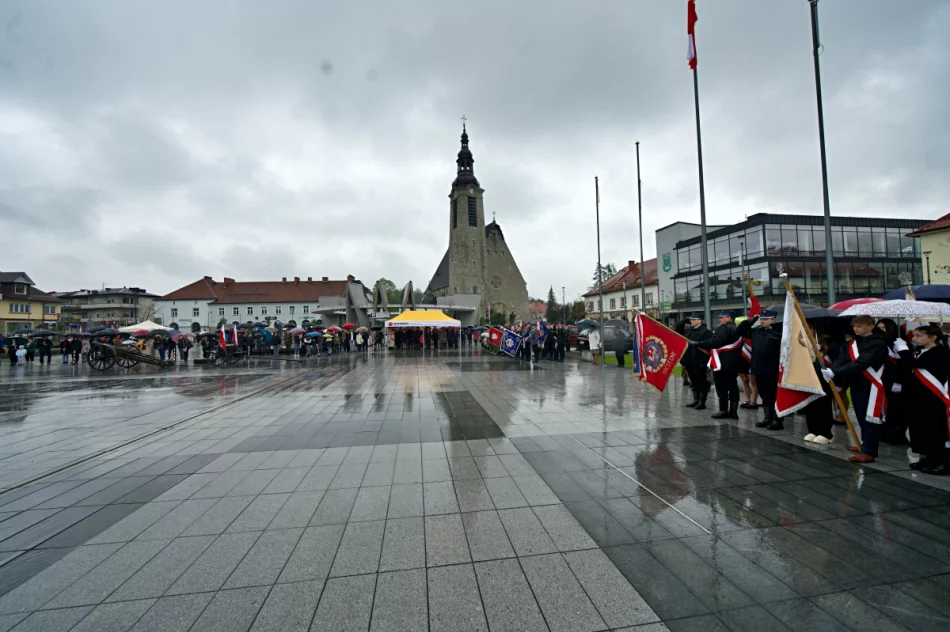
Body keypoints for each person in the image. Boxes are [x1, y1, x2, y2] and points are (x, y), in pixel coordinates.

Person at [824, 315, 889, 463]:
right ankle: (864, 444)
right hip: (856, 383)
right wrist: (832, 369)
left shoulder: (878, 343)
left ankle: (870, 451)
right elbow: (842, 358)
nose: (855, 329)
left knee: (871, 418)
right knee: (860, 416)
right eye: (854, 326)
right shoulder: (852, 343)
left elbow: (862, 362)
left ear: (871, 326)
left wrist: (837, 372)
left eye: (859, 326)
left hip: (871, 384)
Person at [905, 325, 950, 475]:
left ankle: (939, 461)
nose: (914, 338)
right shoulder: (920, 351)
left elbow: (915, 364)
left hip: (933, 397)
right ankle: (928, 457)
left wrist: (902, 350)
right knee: (920, 428)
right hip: (919, 397)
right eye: (914, 336)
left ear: (933, 337)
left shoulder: (940, 352)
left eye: (919, 336)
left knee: (933, 429)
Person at [737, 310, 782, 429]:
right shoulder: (756, 331)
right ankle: (767, 418)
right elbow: (740, 330)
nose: (762, 321)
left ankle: (777, 420)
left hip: (773, 368)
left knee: (774, 395)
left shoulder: (779, 332)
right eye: (761, 319)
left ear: (773, 319)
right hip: (759, 367)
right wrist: (751, 320)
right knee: (764, 394)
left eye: (765, 319)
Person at [697, 310, 742, 419]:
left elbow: (715, 342)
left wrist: (699, 344)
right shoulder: (737, 329)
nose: (720, 319)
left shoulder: (724, 328)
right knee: (732, 386)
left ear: (729, 317)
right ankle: (733, 411)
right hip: (733, 362)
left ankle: (723, 410)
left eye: (722, 317)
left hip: (721, 362)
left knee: (721, 386)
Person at [876, 319, 912, 445]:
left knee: (898, 408)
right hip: (883, 379)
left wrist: (899, 381)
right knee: (886, 407)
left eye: (883, 327)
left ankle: (898, 434)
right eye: (879, 327)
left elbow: (904, 365)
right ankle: (887, 431)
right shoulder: (880, 342)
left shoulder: (899, 342)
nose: (881, 330)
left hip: (898, 381)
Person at [676, 313, 713, 409]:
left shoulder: (706, 332)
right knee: (693, 381)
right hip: (689, 360)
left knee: (702, 381)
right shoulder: (688, 331)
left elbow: (708, 346)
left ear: (699, 320)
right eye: (690, 320)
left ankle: (702, 401)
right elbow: (677, 330)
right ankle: (696, 399)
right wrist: (684, 320)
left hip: (700, 360)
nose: (691, 321)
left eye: (693, 319)